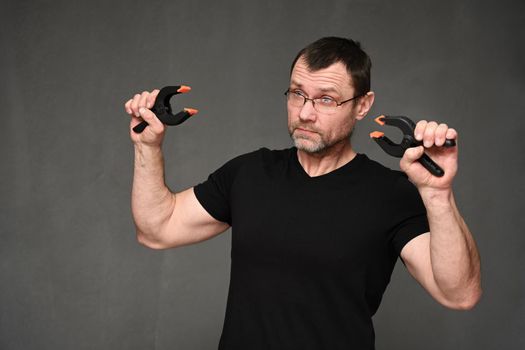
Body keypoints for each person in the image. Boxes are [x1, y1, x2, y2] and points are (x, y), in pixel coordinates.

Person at [124, 37, 482, 349]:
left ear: (362, 104)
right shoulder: (250, 173)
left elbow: (459, 294)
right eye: (298, 94)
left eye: (326, 99)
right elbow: (156, 230)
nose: (306, 113)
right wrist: (147, 146)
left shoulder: (390, 193)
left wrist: (437, 193)